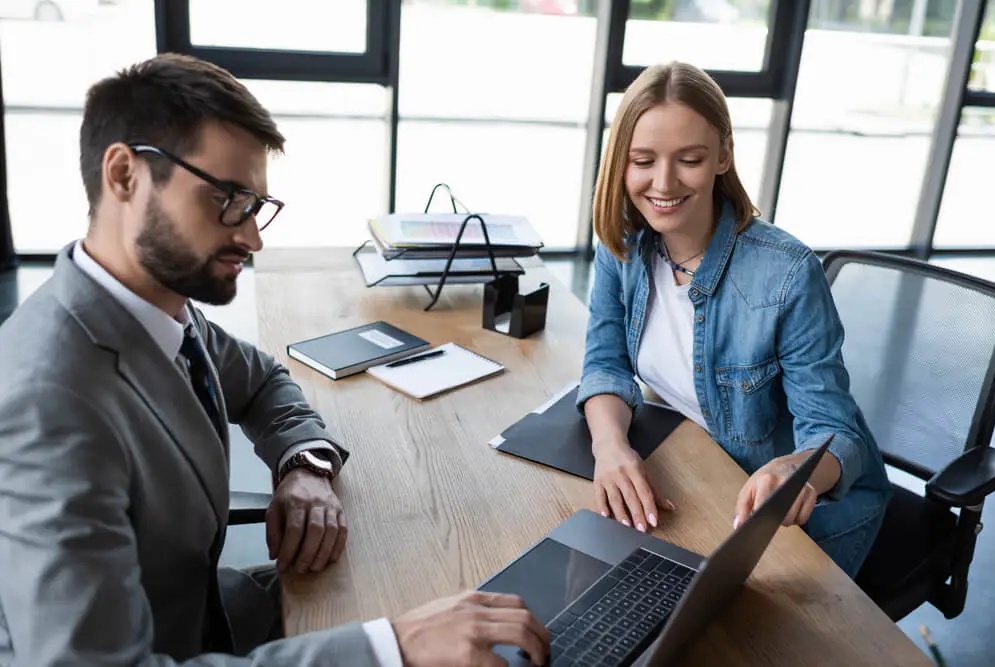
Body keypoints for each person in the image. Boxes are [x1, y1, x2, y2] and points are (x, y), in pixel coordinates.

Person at [0, 53, 549, 667]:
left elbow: (262, 382)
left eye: (257, 205)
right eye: (229, 199)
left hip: (204, 612)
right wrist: (389, 649)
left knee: (458, 591)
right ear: (125, 174)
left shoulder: (157, 310)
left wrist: (303, 467)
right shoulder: (47, 401)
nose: (253, 237)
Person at [578, 61, 892, 578]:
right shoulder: (624, 244)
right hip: (703, 473)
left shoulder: (786, 273)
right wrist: (610, 447)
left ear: (723, 155)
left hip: (805, 516)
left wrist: (795, 472)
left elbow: (836, 432)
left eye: (690, 159)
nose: (663, 182)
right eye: (642, 160)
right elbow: (604, 363)